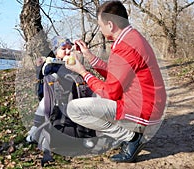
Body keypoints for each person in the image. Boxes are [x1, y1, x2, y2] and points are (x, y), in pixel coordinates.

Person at [65, 1, 167, 163]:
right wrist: (89, 56)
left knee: (74, 109)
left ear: (110, 25)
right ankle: (125, 133)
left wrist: (82, 72)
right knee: (95, 99)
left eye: (100, 25)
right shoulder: (131, 37)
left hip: (144, 109)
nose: (100, 29)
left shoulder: (125, 47)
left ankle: (132, 137)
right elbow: (117, 75)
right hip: (148, 104)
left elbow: (110, 92)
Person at [26, 36, 73, 143]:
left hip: (70, 95)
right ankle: (35, 130)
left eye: (70, 48)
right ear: (56, 51)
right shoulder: (52, 64)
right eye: (64, 48)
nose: (68, 51)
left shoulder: (71, 62)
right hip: (52, 96)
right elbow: (47, 73)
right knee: (45, 105)